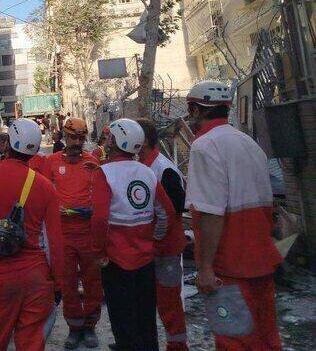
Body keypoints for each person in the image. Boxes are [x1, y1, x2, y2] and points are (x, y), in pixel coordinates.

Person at [184, 81, 283, 350]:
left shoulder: (204, 146)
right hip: (260, 259)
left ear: (196, 110)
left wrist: (205, 267)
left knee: (234, 341)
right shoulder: (249, 143)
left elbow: (211, 213)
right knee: (265, 338)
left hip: (229, 266)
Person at [0, 118, 65, 351]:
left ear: (7, 144)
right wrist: (57, 284)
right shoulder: (45, 187)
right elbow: (55, 244)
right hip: (37, 280)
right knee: (31, 345)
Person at [90, 118, 176, 351]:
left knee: (122, 319)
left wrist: (98, 252)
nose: (106, 140)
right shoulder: (147, 172)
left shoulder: (103, 173)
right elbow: (166, 212)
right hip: (145, 260)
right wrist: (154, 239)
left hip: (115, 261)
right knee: (145, 316)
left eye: (110, 136)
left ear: (117, 141)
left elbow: (99, 219)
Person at [41, 117, 102, 349]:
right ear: (65, 137)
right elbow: (43, 192)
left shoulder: (92, 162)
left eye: (81, 138)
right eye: (73, 137)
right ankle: (75, 327)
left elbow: (102, 193)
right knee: (67, 282)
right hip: (64, 233)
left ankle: (90, 326)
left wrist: (94, 208)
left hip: (87, 232)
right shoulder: (51, 162)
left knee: (92, 280)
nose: (77, 142)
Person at [137, 118, 188, 351]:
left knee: (169, 301)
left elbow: (173, 210)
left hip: (165, 249)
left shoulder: (164, 169)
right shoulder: (144, 166)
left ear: (144, 141)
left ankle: (177, 345)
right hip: (151, 248)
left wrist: (155, 238)